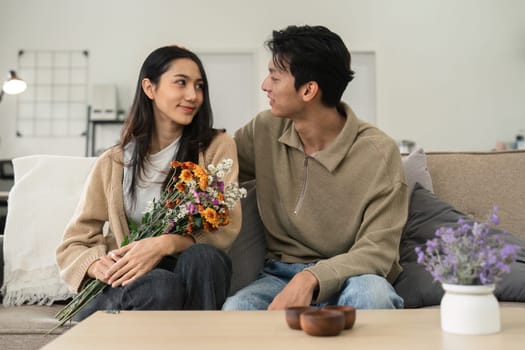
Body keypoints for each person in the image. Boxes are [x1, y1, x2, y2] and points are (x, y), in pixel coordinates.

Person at [223, 25, 408, 311]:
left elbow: (379, 250)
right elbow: (214, 164)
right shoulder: (265, 129)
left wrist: (312, 278)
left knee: (373, 296)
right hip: (278, 275)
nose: (264, 85)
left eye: (274, 77)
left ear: (308, 90)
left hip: (353, 276)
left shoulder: (378, 152)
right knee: (238, 309)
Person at [56, 46, 241, 320]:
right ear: (149, 88)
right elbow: (74, 241)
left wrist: (165, 244)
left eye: (199, 86)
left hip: (191, 274)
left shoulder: (216, 147)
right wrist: (97, 266)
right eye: (181, 82)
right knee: (160, 286)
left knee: (204, 258)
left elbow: (226, 225)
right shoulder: (114, 161)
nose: (193, 95)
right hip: (130, 286)